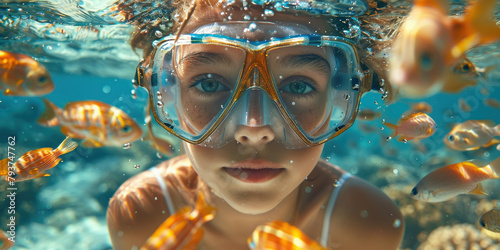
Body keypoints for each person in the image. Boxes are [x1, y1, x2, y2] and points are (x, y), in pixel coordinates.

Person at [106, 0, 405, 249]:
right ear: (166, 95)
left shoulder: (367, 229)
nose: (254, 127)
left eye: (299, 87)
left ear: (339, 99)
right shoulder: (139, 214)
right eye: (209, 84)